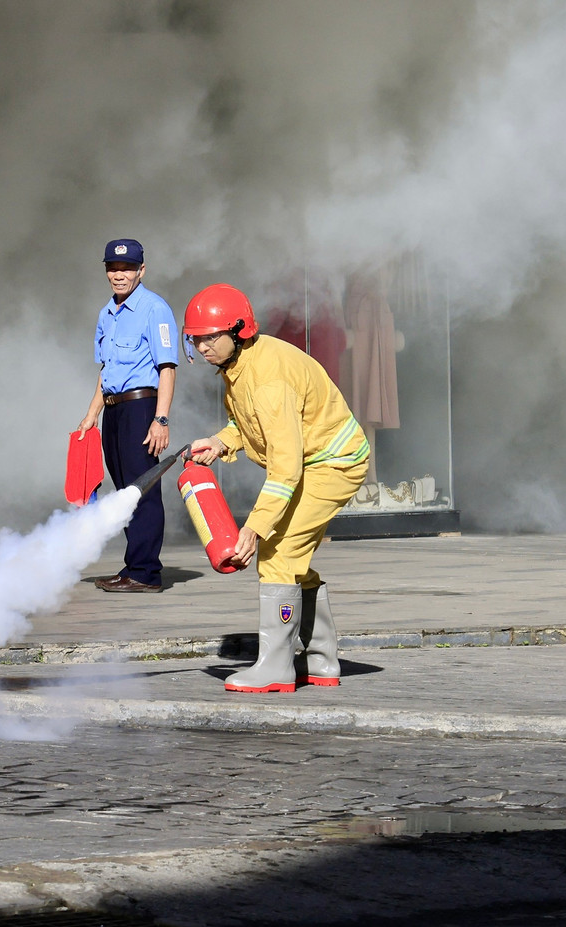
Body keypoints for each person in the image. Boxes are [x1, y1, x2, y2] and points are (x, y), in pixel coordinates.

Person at [184, 283, 368, 691]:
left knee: (277, 552)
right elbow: (249, 423)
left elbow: (285, 469)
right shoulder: (244, 364)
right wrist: (220, 442)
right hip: (315, 461)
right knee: (293, 555)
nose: (201, 347)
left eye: (209, 337)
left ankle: (276, 667)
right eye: (195, 338)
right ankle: (321, 661)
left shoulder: (267, 377)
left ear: (238, 331)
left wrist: (253, 528)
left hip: (331, 464)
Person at [75, 238, 179, 592]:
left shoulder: (154, 309)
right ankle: (133, 566)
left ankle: (146, 573)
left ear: (141, 270)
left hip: (141, 408)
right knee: (123, 490)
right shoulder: (107, 314)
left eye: (127, 268)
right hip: (114, 411)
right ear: (106, 271)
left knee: (143, 490)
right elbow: (106, 370)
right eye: (113, 269)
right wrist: (91, 415)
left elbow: (167, 367)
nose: (120, 275)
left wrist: (160, 419)